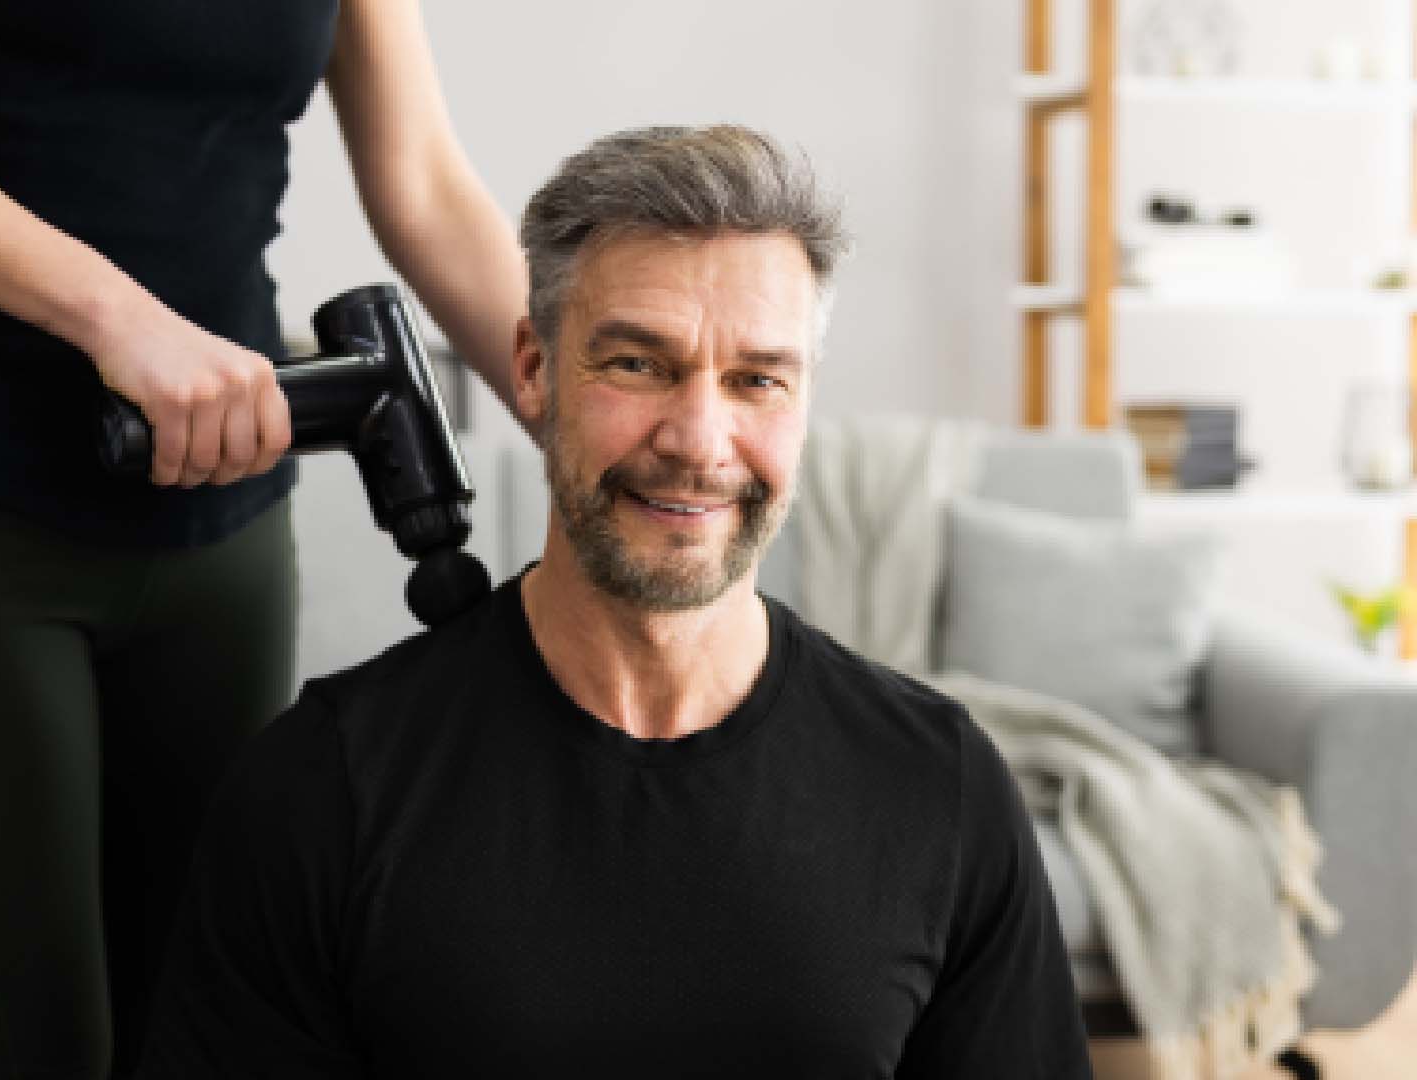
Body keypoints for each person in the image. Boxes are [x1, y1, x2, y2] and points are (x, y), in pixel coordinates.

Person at [138, 124, 1094, 1078]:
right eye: (639, 365)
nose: (699, 441)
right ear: (532, 367)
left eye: (757, 379)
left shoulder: (938, 789)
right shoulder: (324, 789)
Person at [0, 1, 524, 1076]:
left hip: (229, 544)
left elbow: (427, 188)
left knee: (210, 1033)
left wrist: (585, 424)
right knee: (39, 1055)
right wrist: (119, 316)